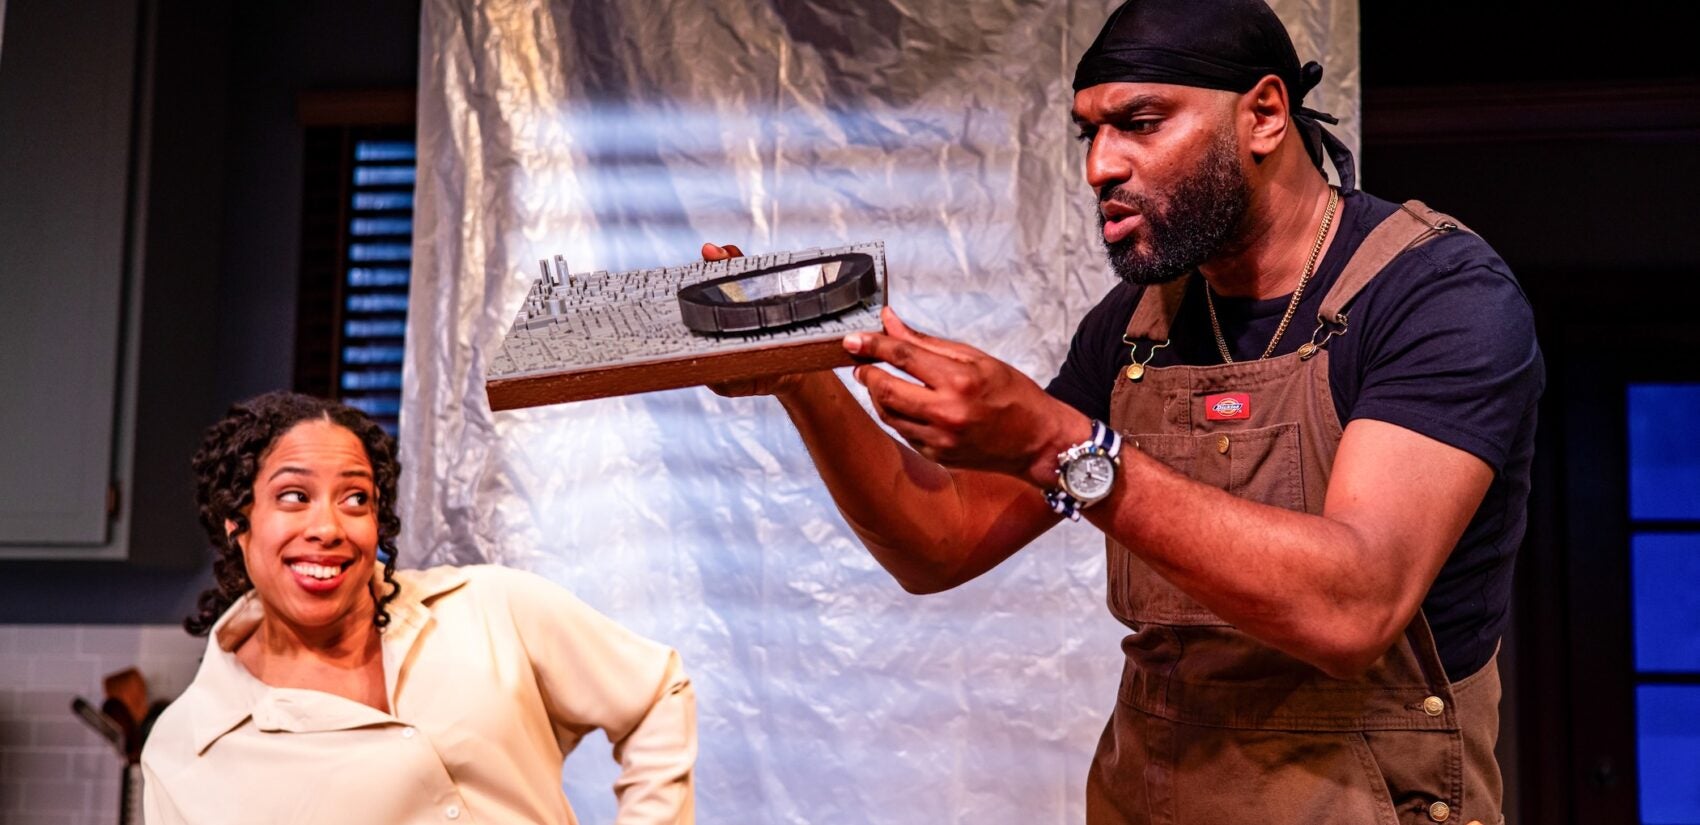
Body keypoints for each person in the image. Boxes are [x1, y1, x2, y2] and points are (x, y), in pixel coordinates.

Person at [704, 0, 1542, 822]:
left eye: (1140, 122)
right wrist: (802, 375)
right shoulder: (1137, 326)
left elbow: (1353, 606)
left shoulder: (1435, 298)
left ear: (1263, 115)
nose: (1100, 165)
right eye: (1090, 132)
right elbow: (941, 538)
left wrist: (1058, 445)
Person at [141, 392, 696, 824]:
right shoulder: (187, 749)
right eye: (295, 497)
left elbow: (654, 694)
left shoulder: (492, 608)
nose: (329, 528)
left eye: (356, 498)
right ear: (236, 522)